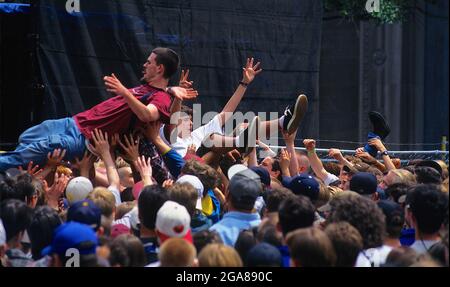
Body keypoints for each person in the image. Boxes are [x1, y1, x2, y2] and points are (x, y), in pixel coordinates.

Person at [0, 47, 198, 171]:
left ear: (160, 69)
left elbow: (147, 115)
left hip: (83, 139)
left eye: (149, 61)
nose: (144, 64)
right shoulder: (150, 88)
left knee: (29, 152)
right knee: (25, 138)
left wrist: (124, 91)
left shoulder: (162, 97)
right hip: (74, 123)